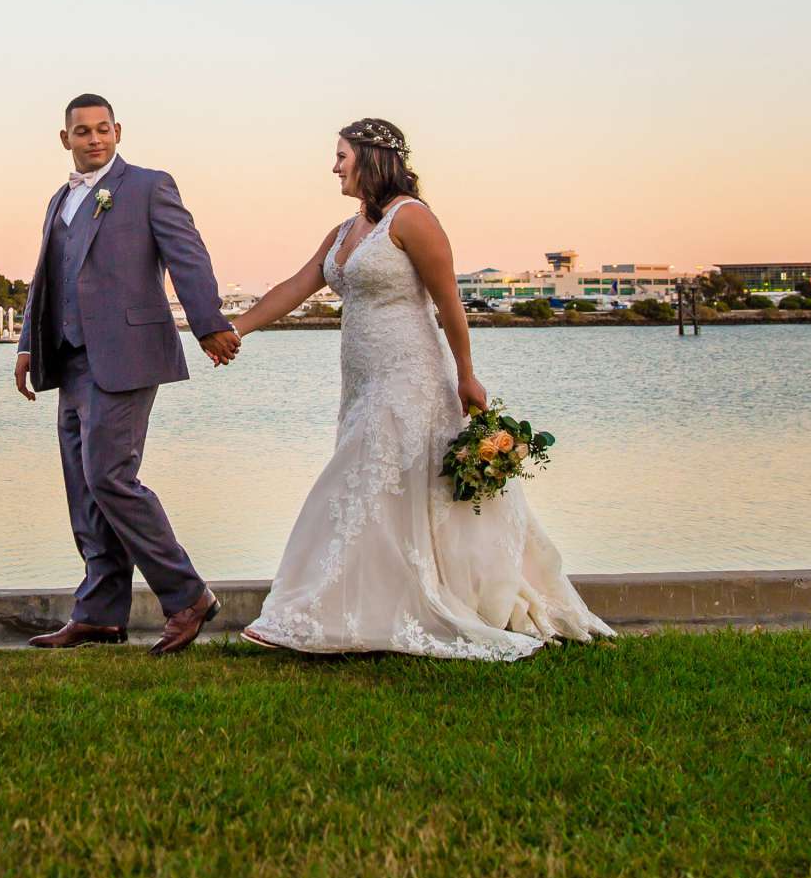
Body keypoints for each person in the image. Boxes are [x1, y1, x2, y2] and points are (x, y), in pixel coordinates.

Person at [234, 117, 612, 658]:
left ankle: (309, 610)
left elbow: (449, 303)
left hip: (409, 375)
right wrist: (235, 330)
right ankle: (369, 607)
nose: (333, 166)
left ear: (370, 157)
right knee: (383, 492)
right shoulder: (344, 232)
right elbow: (297, 286)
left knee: (356, 481)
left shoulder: (413, 220)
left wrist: (466, 373)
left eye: (341, 155)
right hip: (361, 379)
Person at [16, 93, 239, 656]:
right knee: (84, 486)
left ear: (118, 131)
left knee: (110, 475)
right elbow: (46, 280)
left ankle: (187, 595)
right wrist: (26, 347)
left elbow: (188, 255)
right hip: (69, 359)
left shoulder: (148, 185)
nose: (94, 139)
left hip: (128, 353)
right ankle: (98, 613)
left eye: (103, 129)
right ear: (63, 139)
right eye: (82, 131)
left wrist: (208, 322)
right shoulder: (58, 200)